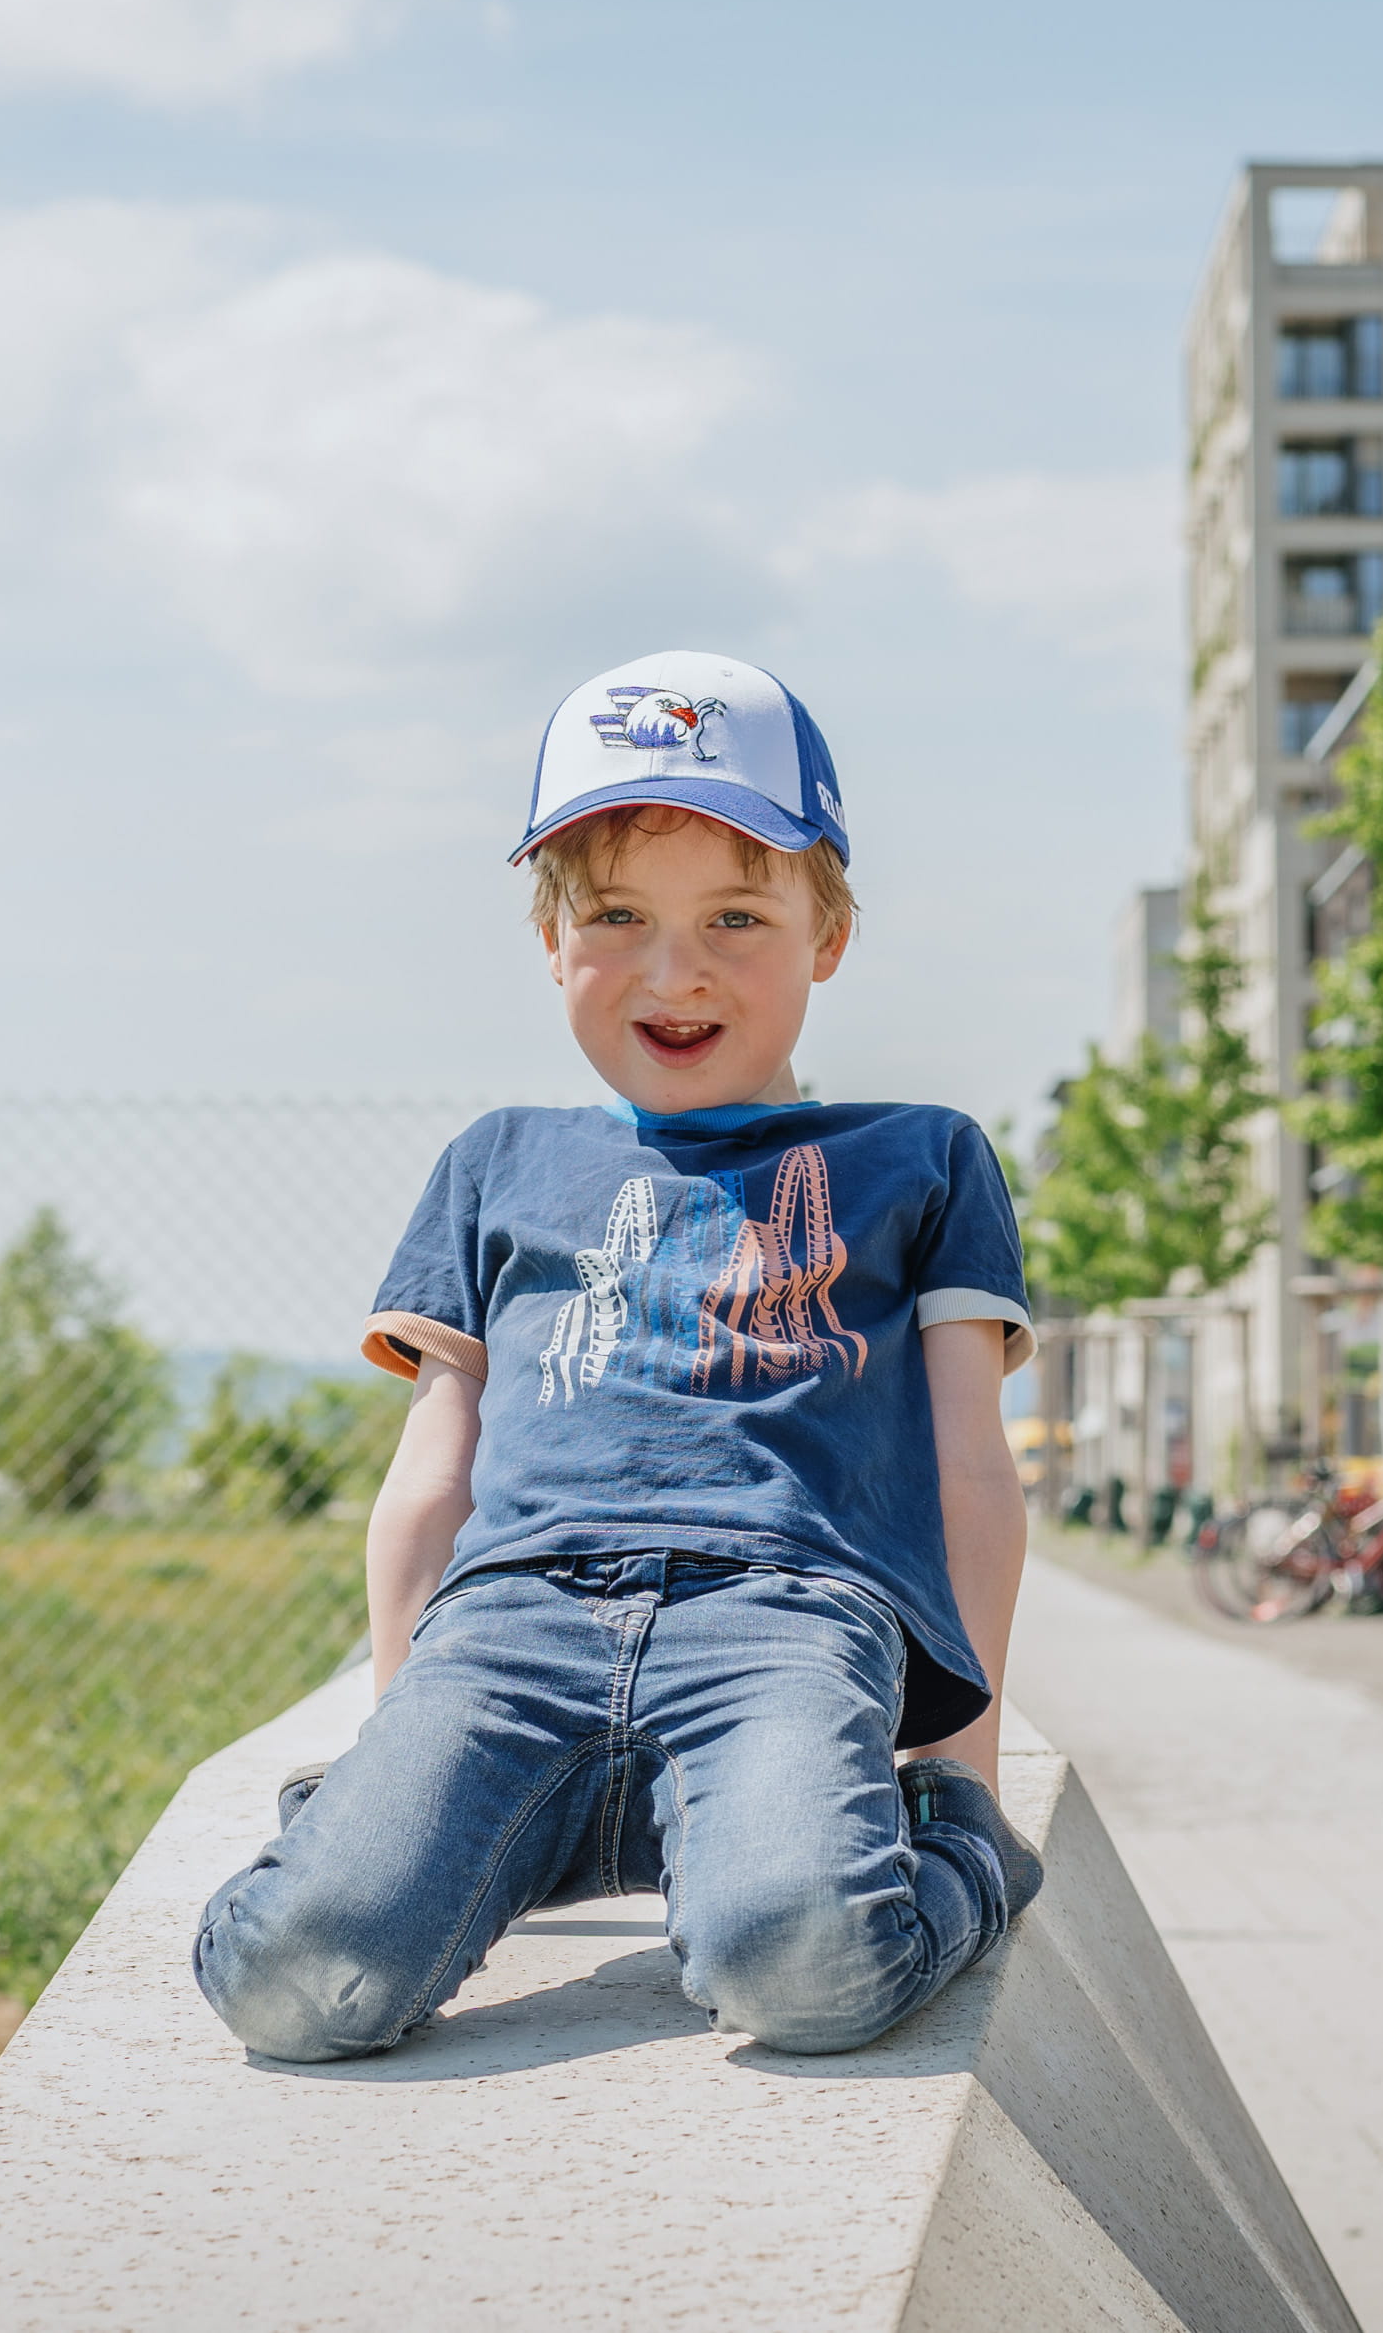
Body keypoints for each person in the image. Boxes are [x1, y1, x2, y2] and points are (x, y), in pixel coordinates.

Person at [191, 650, 1044, 2063]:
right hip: (513, 1627)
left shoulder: (922, 1155)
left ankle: (952, 1859)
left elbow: (971, 1461)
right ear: (551, 938)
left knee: (805, 1968)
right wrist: (398, 1734)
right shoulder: (496, 1162)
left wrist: (964, 1764)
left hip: (783, 1618)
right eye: (617, 914)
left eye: (738, 914)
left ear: (828, 931)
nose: (675, 967)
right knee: (294, 1976)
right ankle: (410, 1834)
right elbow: (432, 1473)